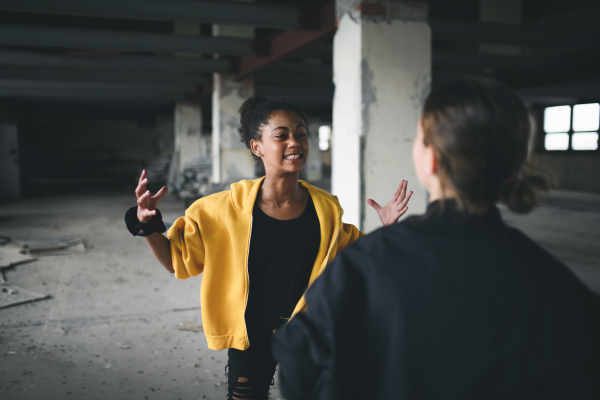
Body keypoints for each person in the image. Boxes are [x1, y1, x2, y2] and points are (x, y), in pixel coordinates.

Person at [272, 79, 600, 400]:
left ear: (431, 160)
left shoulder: (363, 267)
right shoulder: (555, 284)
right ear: (512, 164)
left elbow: (300, 368)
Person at [125, 96, 413, 400]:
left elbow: (356, 258)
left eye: (301, 134)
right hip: (250, 338)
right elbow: (175, 259)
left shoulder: (326, 210)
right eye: (282, 135)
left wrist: (387, 229)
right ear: (257, 146)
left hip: (310, 334)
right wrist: (147, 224)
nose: (295, 142)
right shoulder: (220, 210)